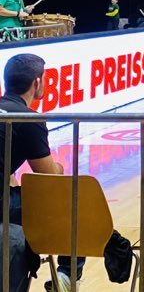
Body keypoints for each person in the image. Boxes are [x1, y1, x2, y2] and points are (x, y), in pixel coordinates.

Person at [0, 54, 89, 292]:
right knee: (74, 201)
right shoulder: (27, 118)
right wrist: (59, 167)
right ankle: (67, 274)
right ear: (37, 82)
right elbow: (49, 177)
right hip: (2, 204)